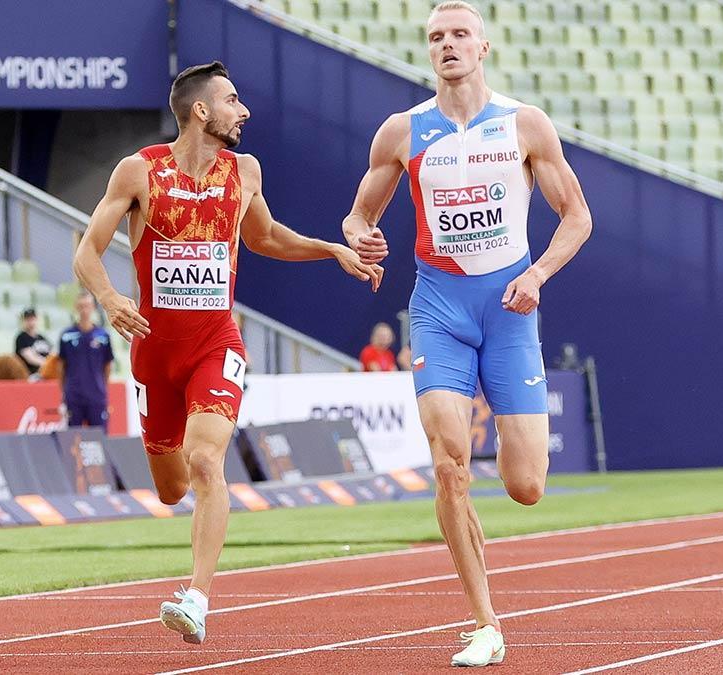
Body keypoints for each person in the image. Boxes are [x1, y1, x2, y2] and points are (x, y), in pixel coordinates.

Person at [72, 61, 381, 645]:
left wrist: (329, 250)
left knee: (206, 461)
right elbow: (88, 251)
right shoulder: (139, 171)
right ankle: (189, 520)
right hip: (153, 355)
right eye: (234, 100)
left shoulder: (245, 171)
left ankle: (197, 597)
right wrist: (111, 299)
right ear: (201, 111)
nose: (245, 111)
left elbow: (263, 237)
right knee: (170, 485)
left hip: (216, 344)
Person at [342, 1, 591, 666]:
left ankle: (489, 594)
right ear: (428, 52)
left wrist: (537, 273)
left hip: (509, 309)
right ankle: (485, 621)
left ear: (483, 47)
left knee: (526, 483)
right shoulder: (402, 132)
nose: (447, 45)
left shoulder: (524, 124)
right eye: (435, 38)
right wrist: (360, 237)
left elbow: (577, 217)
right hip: (438, 308)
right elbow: (358, 215)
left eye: (458, 35)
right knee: (449, 464)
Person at [57, 292, 114, 431]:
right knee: (73, 440)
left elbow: (107, 365)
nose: (84, 310)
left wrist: (102, 387)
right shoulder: (66, 335)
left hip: (96, 395)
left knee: (100, 438)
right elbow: (61, 366)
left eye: (87, 306)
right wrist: (64, 391)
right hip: (74, 395)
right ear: (76, 307)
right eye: (81, 306)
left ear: (93, 307)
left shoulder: (103, 336)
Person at [14, 307, 51, 377]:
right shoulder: (21, 338)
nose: (30, 322)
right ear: (23, 321)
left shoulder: (42, 338)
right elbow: (30, 358)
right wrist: (48, 364)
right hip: (30, 375)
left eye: (32, 319)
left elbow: (51, 354)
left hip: (44, 373)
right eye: (28, 319)